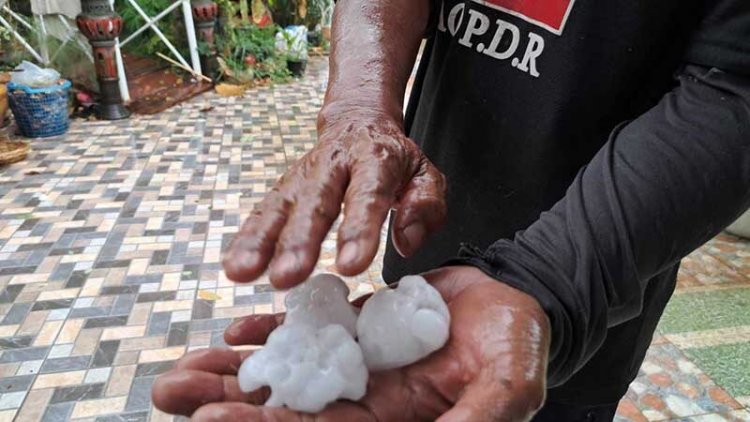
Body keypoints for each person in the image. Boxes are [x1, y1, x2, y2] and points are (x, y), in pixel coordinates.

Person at [152, 0, 750, 420]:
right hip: (427, 254)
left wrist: (545, 279)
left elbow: (735, 87)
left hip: (577, 304)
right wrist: (358, 109)